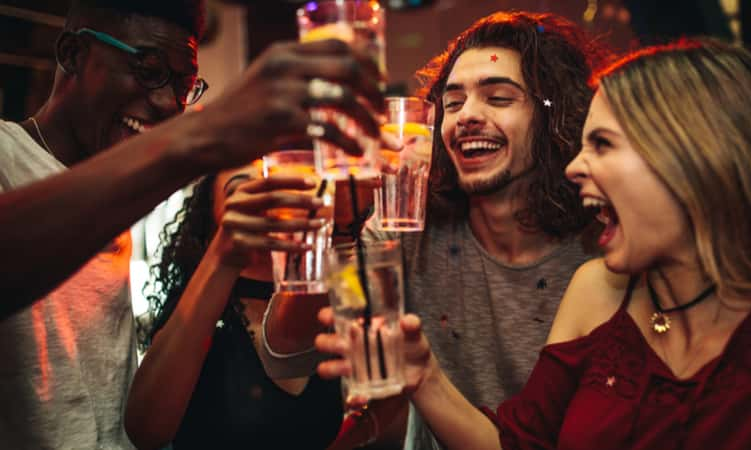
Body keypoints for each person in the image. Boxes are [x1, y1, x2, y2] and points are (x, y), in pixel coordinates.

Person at [319, 36, 751, 449]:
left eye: (602, 144)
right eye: (451, 102)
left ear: (695, 155)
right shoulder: (599, 290)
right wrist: (425, 380)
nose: (576, 165)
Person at [0, 0, 382, 447]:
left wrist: (342, 224)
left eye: (184, 86)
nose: (167, 103)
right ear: (72, 54)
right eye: (148, 69)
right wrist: (199, 135)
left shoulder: (117, 181)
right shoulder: (7, 153)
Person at [340, 11, 607, 449]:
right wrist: (339, 224)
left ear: (554, 117)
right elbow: (332, 317)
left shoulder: (602, 248)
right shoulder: (410, 224)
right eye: (453, 102)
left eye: (498, 98)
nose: (466, 117)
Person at [125, 162, 346, 449]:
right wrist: (223, 258)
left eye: (277, 185)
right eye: (244, 191)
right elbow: (146, 431)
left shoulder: (325, 300)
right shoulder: (198, 312)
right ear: (212, 223)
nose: (267, 197)